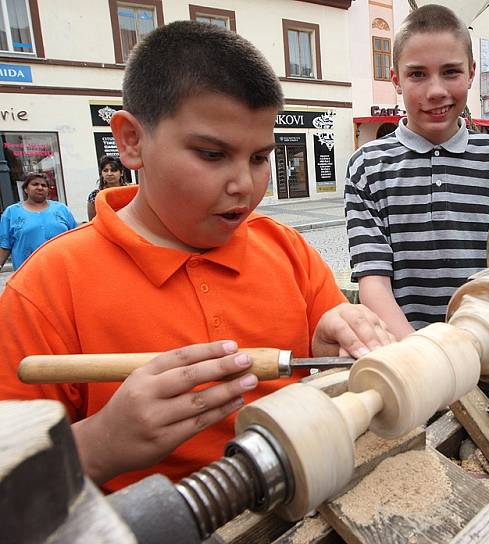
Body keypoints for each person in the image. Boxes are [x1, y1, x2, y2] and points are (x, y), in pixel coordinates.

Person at [0, 21, 392, 493]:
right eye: (211, 154)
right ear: (131, 141)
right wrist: (101, 444)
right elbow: (12, 487)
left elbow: (336, 380)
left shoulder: (287, 251)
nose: (243, 185)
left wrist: (334, 352)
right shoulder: (48, 287)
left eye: (258, 157)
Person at [345, 4, 489, 339]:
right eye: (418, 74)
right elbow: (373, 281)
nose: (436, 90)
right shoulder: (368, 167)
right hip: (410, 352)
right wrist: (422, 353)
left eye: (451, 72)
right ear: (396, 79)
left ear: (471, 73)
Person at [0, 172, 77, 270]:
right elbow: (5, 244)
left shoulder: (61, 209)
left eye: (44, 185)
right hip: (28, 272)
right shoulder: (11, 212)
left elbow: (74, 237)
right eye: (35, 184)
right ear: (25, 189)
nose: (40, 188)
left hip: (61, 269)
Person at [87, 155, 127, 220]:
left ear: (121, 173)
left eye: (113, 170)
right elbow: (92, 221)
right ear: (101, 173)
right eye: (105, 170)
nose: (109, 173)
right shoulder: (94, 196)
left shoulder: (130, 191)